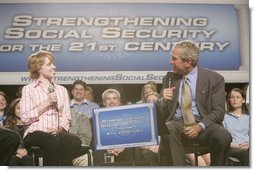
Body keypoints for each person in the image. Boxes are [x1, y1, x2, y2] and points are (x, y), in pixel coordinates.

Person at [156, 40, 231, 166]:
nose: (170, 62)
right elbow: (159, 110)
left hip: (204, 124)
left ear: (187, 62)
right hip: (177, 124)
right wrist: (163, 100)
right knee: (169, 128)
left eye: (174, 58)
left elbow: (219, 112)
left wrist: (199, 126)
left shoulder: (214, 79)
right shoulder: (169, 78)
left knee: (223, 136)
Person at [20, 50, 81, 166]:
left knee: (74, 141)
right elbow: (25, 118)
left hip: (56, 132)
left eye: (53, 64)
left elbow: (66, 116)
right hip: (34, 133)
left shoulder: (61, 90)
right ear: (38, 68)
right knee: (51, 141)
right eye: (49, 64)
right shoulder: (29, 89)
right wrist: (46, 103)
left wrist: (60, 129)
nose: (54, 67)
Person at [223, 88, 249, 166]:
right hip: (232, 148)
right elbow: (222, 137)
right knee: (245, 153)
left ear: (243, 100)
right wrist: (231, 145)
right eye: (232, 97)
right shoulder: (224, 117)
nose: (234, 99)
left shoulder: (249, 117)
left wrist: (248, 144)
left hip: (248, 146)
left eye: (238, 97)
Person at [4, 98, 33, 166]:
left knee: (27, 159)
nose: (22, 111)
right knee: (14, 159)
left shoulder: (33, 126)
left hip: (29, 152)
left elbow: (36, 142)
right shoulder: (7, 127)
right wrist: (17, 151)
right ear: (13, 110)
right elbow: (5, 144)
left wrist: (26, 151)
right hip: (12, 153)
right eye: (18, 108)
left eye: (24, 108)